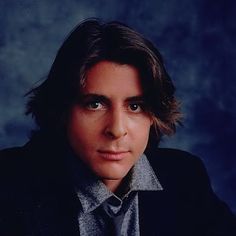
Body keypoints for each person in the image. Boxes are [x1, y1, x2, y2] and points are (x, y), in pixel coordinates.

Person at [0, 18, 235, 236]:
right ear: (62, 110)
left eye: (135, 106)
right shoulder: (9, 184)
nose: (116, 129)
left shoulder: (185, 177)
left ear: (154, 115)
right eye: (95, 104)